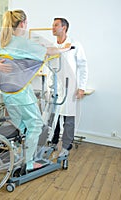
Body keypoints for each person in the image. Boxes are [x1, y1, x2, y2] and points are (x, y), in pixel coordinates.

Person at [0, 10, 71, 171]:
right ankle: (29, 163)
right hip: (20, 93)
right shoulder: (23, 42)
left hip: (7, 93)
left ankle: (20, 156)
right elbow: (49, 51)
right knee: (36, 125)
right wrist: (65, 48)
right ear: (23, 23)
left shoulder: (5, 41)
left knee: (21, 126)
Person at [50, 18, 88, 157]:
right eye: (52, 25)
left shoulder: (74, 45)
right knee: (53, 117)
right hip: (54, 88)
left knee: (68, 119)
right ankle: (52, 143)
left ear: (64, 28)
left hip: (69, 87)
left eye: (55, 25)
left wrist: (81, 87)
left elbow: (83, 67)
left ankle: (66, 146)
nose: (52, 28)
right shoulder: (52, 46)